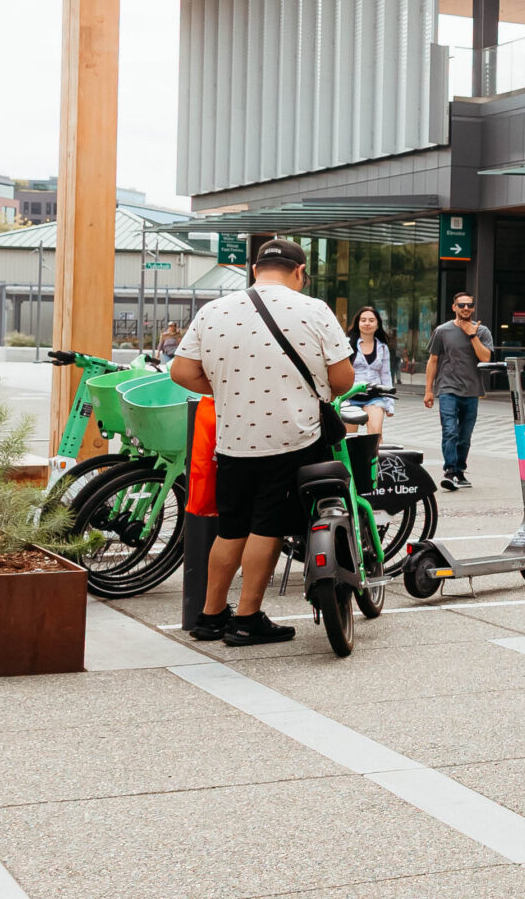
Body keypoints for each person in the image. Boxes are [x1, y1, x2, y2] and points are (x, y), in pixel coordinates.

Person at [169, 238, 354, 647]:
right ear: (300, 272)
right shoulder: (314, 310)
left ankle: (210, 616)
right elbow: (342, 381)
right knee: (266, 527)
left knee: (231, 528)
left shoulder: (214, 310)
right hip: (293, 439)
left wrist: (223, 388)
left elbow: (181, 372)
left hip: (233, 440)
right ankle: (247, 617)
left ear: (254, 271)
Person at [423, 291, 493, 489]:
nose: (465, 308)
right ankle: (451, 470)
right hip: (448, 388)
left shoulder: (482, 332)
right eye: (461, 305)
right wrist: (428, 390)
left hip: (472, 390)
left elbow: (485, 358)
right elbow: (433, 360)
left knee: (464, 436)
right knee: (450, 430)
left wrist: (472, 335)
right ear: (454, 307)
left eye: (469, 305)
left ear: (473, 308)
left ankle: (460, 470)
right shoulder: (442, 331)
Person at [347, 304, 396, 440]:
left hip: (374, 396)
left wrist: (389, 404)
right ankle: (351, 462)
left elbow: (385, 375)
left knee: (375, 434)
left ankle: (374, 461)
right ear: (358, 323)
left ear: (377, 324)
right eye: (363, 320)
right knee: (349, 439)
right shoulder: (348, 344)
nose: (367, 323)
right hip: (351, 397)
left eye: (371, 320)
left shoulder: (383, 348)